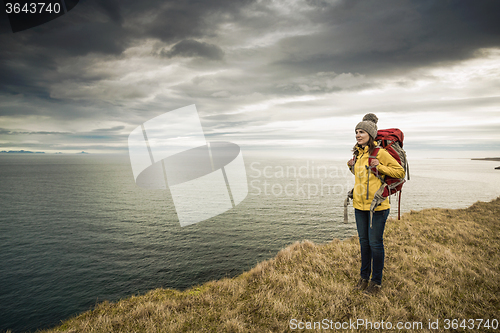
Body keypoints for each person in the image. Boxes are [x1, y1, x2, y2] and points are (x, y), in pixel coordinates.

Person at [347, 113, 405, 296]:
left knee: (375, 244)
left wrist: (379, 166)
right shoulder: (358, 152)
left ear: (370, 134)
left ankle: (376, 282)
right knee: (364, 243)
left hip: (377, 207)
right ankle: (364, 278)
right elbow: (364, 177)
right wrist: (351, 166)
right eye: (356, 131)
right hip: (359, 206)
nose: (358, 134)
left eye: (362, 131)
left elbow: (399, 172)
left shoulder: (380, 153)